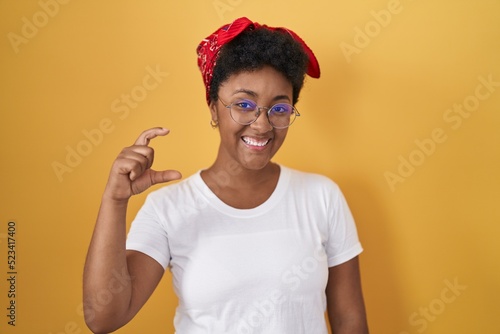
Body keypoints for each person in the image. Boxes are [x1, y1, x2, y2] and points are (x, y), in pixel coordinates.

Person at [83, 17, 369, 334]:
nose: (262, 125)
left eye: (279, 108)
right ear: (213, 109)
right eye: (243, 104)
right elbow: (103, 317)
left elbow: (349, 322)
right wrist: (115, 200)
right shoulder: (168, 208)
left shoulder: (321, 197)